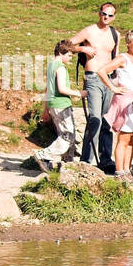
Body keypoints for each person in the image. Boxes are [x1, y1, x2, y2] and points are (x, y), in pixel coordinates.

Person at [69, 3, 121, 173]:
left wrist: (117, 81)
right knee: (95, 118)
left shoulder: (115, 34)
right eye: (104, 13)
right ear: (99, 13)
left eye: (110, 15)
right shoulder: (89, 31)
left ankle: (105, 159)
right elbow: (66, 45)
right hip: (93, 78)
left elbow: (116, 58)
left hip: (109, 79)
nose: (106, 17)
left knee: (106, 120)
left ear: (114, 17)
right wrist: (82, 48)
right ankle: (86, 160)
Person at [99, 30, 133, 182]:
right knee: (124, 137)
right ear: (129, 44)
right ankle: (119, 172)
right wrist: (114, 88)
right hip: (125, 102)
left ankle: (127, 171)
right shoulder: (123, 58)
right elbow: (102, 71)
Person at [33, 41, 82, 172]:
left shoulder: (51, 66)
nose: (71, 59)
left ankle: (67, 164)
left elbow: (47, 89)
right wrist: (79, 93)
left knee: (68, 135)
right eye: (70, 55)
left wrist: (45, 109)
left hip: (53, 105)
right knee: (67, 135)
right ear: (61, 52)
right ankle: (44, 155)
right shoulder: (60, 67)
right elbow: (62, 88)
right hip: (62, 105)